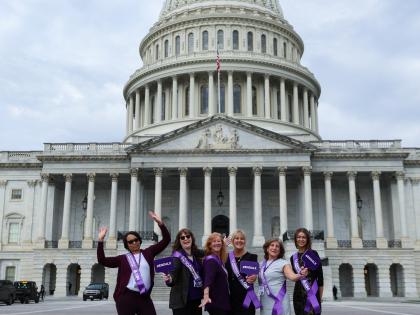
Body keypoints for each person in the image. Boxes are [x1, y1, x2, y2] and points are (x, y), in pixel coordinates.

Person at [97, 211, 170, 315]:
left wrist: (161, 224)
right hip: (126, 296)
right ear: (127, 245)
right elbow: (102, 260)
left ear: (140, 241)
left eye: (136, 240)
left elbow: (166, 240)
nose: (134, 242)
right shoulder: (122, 259)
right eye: (130, 242)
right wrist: (100, 241)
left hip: (144, 296)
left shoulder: (149, 252)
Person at [259, 239, 307, 315]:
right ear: (267, 248)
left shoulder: (283, 263)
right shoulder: (261, 264)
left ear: (280, 250)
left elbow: (292, 277)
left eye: (277, 246)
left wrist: (300, 274)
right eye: (272, 245)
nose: (274, 248)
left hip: (279, 300)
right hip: (265, 302)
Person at [164, 228, 204, 315]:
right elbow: (172, 275)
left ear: (192, 238)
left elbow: (209, 252)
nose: (185, 239)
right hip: (182, 302)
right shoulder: (176, 257)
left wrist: (223, 244)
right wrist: (169, 279)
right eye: (182, 238)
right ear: (179, 241)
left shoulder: (196, 254)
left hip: (196, 299)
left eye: (188, 236)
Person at [290, 228, 324, 315]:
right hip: (298, 295)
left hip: (313, 294)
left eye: (304, 237)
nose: (301, 239)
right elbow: (294, 277)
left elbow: (320, 278)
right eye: (299, 237)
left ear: (307, 239)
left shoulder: (314, 254)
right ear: (295, 239)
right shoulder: (292, 258)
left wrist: (319, 298)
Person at [225, 230, 259, 315]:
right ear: (232, 241)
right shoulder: (226, 257)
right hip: (231, 298)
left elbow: (253, 275)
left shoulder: (252, 257)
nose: (239, 240)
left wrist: (254, 277)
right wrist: (223, 245)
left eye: (242, 239)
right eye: (236, 238)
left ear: (245, 241)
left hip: (246, 298)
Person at [199, 232, 230, 315]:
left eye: (219, 241)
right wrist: (206, 295)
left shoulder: (218, 259)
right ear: (209, 245)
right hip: (217, 302)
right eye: (214, 241)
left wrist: (225, 245)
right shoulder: (211, 261)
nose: (217, 243)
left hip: (221, 301)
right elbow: (208, 279)